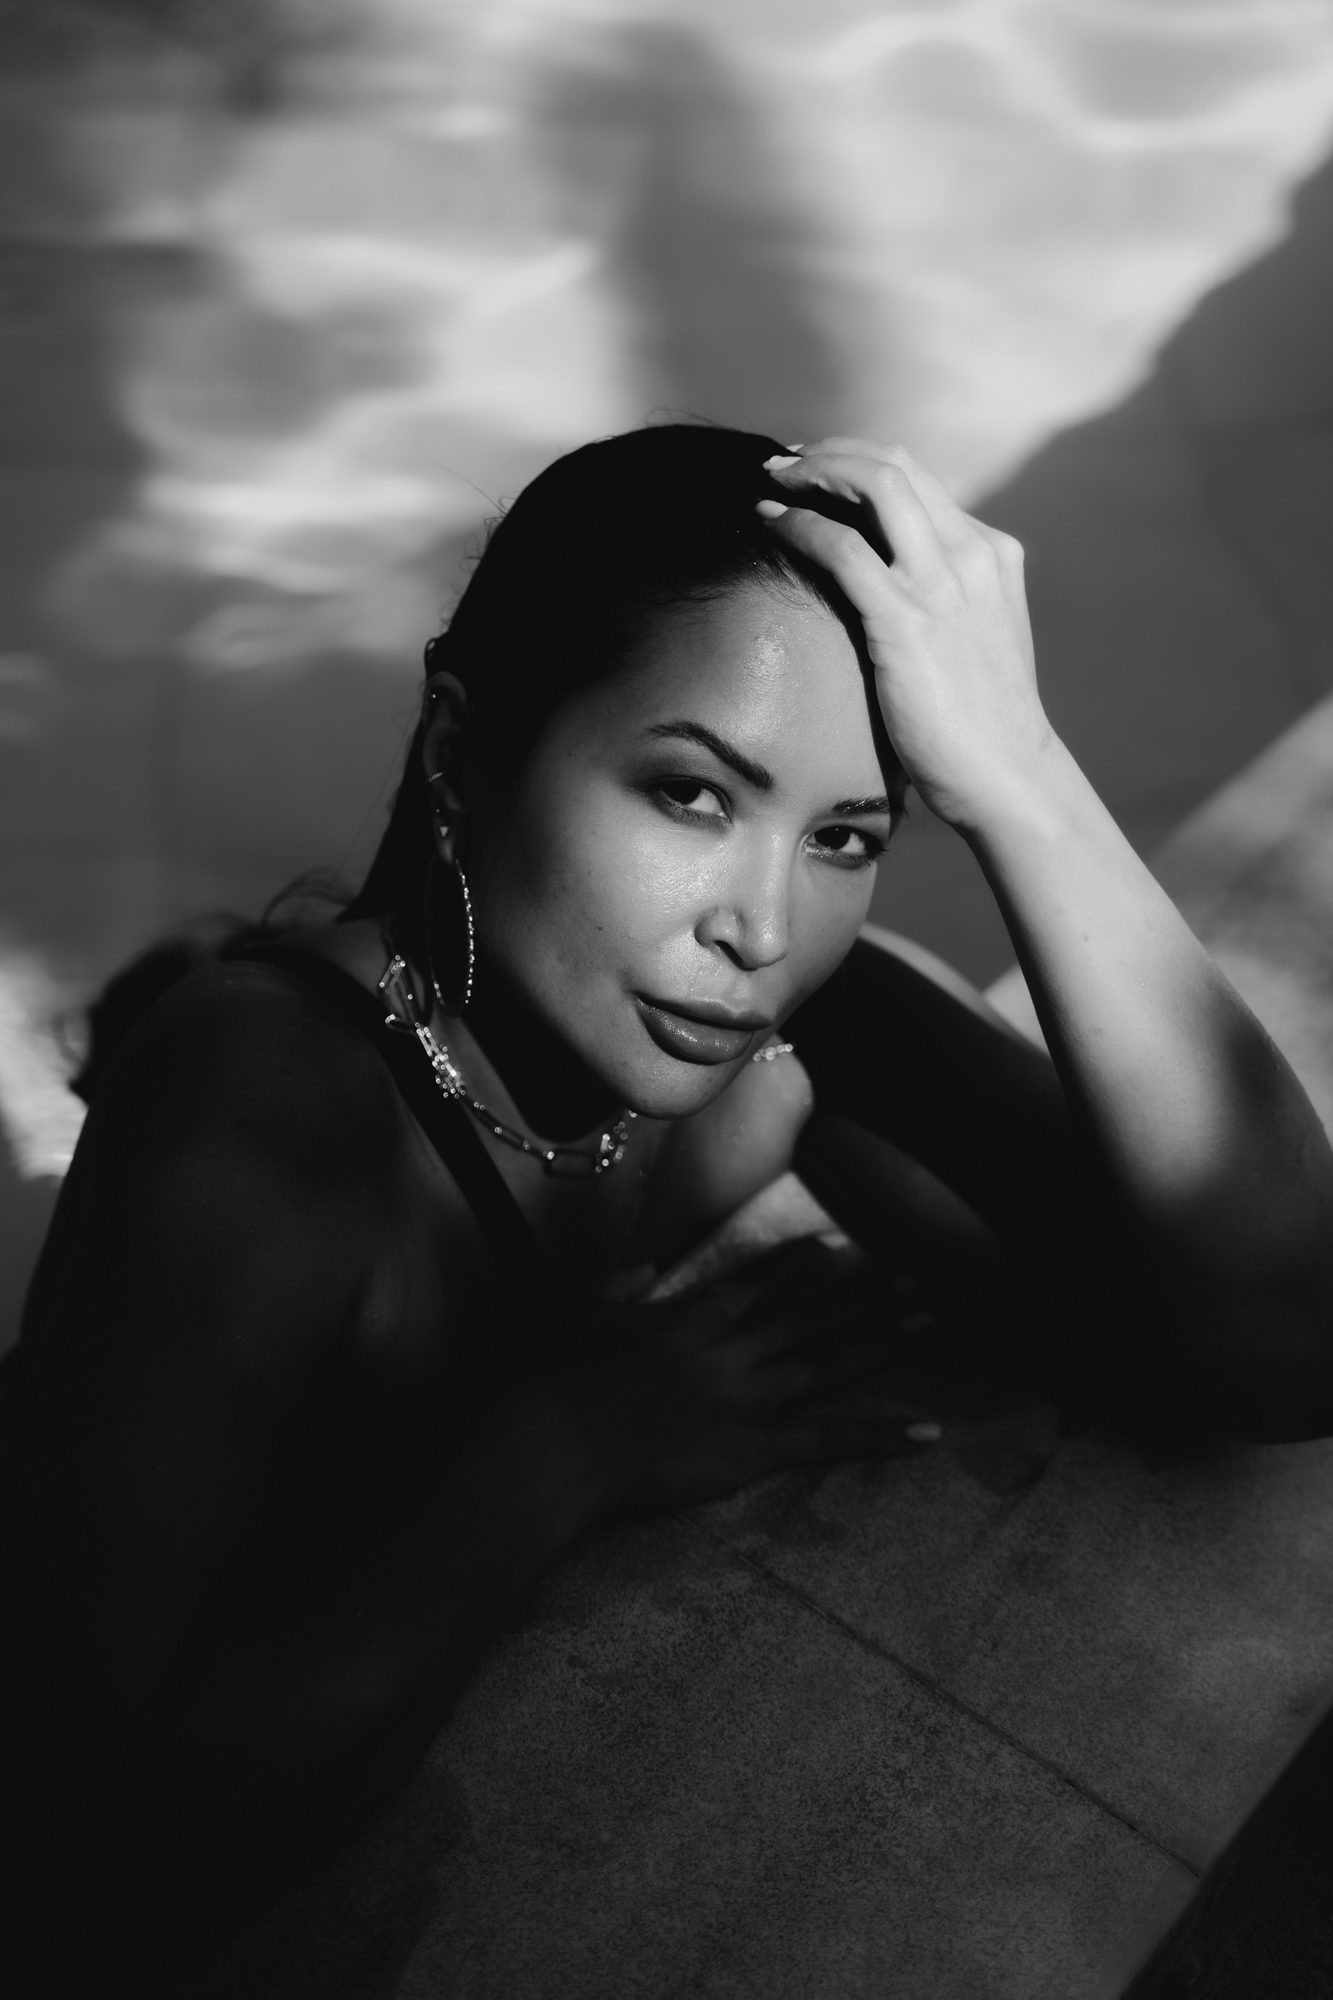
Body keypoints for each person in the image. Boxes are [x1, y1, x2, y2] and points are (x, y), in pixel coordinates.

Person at [3, 426, 1333, 1993]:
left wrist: (1021, 782)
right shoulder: (258, 1129)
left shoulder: (787, 1048)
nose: (762, 926)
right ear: (456, 745)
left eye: (847, 834)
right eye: (691, 794)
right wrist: (567, 1442)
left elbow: (1286, 1339)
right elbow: (91, 1838)